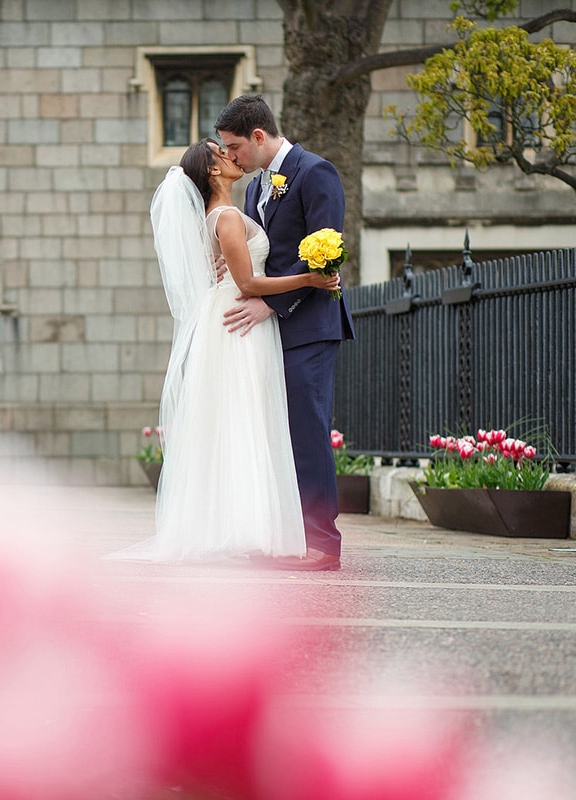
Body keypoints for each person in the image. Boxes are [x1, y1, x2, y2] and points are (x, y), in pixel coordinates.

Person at [111, 139, 339, 563]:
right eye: (223, 153)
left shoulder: (226, 215)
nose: (232, 158)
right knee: (248, 421)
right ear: (213, 171)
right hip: (241, 320)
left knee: (240, 423)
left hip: (234, 315)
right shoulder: (230, 216)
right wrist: (308, 280)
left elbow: (240, 271)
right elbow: (249, 284)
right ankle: (252, 530)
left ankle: (249, 528)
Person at [215, 94, 356, 571]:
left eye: (234, 147)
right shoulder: (255, 189)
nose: (229, 157)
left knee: (307, 432)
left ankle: (322, 544)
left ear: (258, 136)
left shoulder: (316, 172)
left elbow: (326, 251)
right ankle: (286, 537)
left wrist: (268, 302)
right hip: (271, 332)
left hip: (311, 327)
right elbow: (266, 255)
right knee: (276, 434)